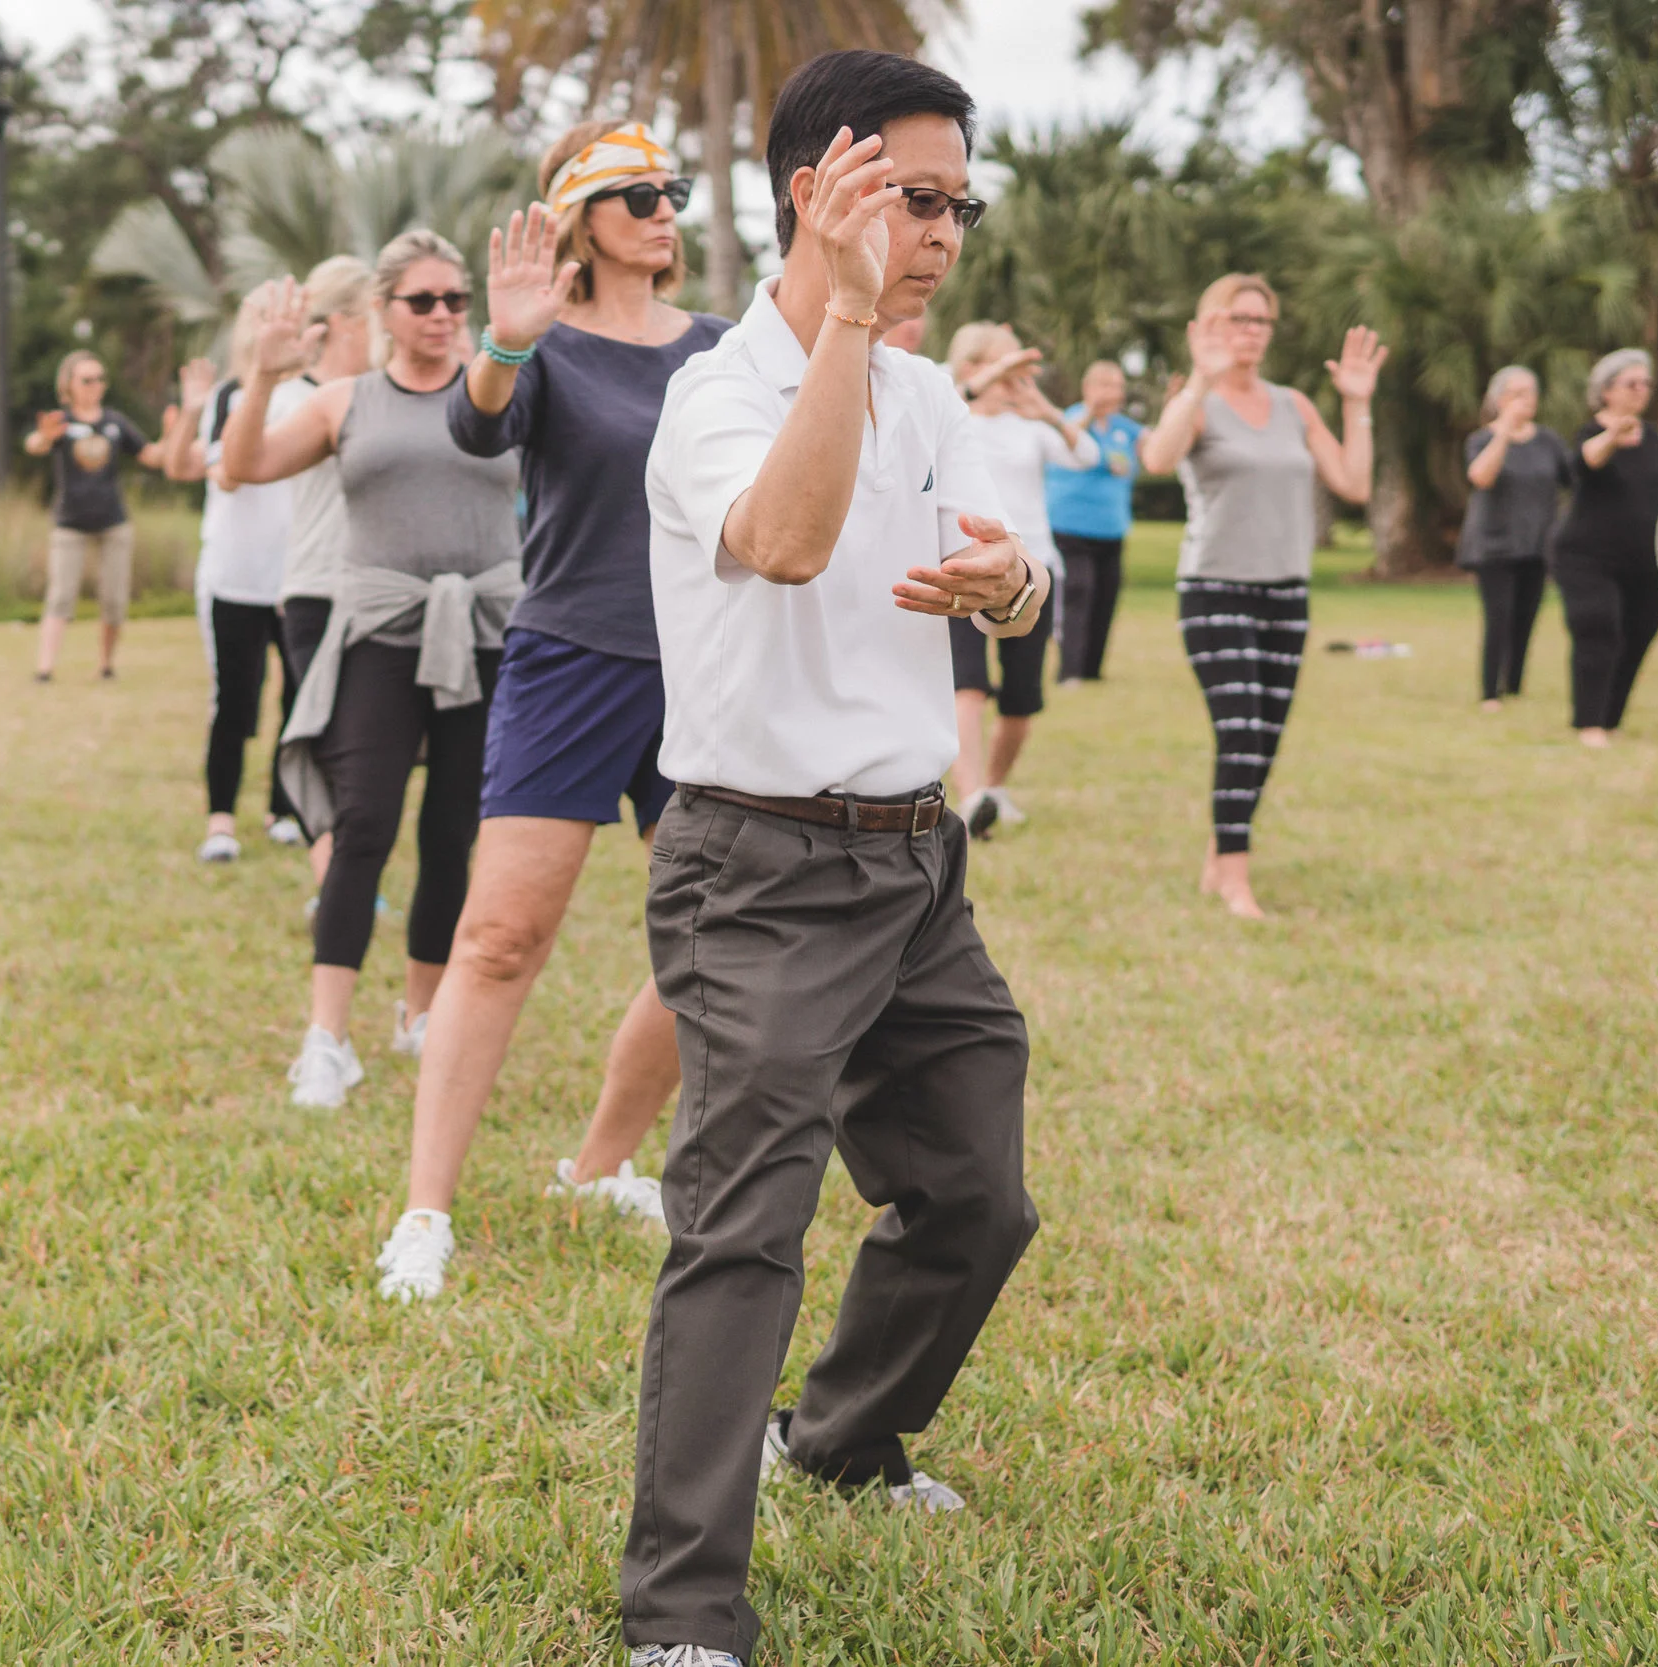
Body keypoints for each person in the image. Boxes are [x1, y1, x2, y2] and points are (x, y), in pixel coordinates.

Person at [621, 53, 1050, 1666]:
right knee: (743, 1224)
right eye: (913, 200)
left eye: (959, 206)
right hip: (758, 862)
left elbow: (1014, 597)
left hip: (914, 862)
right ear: (819, 191)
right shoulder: (719, 392)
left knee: (976, 1197)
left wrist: (1006, 591)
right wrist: (854, 327)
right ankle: (681, 1609)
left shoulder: (935, 396)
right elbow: (788, 543)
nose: (942, 234)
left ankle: (843, 1436)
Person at [370, 122, 734, 1303]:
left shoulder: (723, 349)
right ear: (580, 220)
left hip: (704, 667)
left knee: (715, 938)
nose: (662, 206)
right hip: (571, 661)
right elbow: (478, 426)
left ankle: (596, 1164)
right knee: (500, 938)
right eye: (634, 193)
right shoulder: (547, 350)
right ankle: (423, 1210)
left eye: (670, 188)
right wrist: (505, 342)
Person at [218, 230, 522, 1113]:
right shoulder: (347, 401)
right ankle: (327, 1039)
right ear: (382, 312)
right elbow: (241, 468)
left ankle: (421, 1015)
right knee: (363, 829)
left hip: (484, 636)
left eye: (455, 299)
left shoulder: (502, 394)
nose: (441, 315)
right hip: (379, 635)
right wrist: (268, 378)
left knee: (449, 833)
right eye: (422, 300)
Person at [1139, 274, 1385, 919]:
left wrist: (1357, 403)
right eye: (1236, 318)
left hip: (1286, 592)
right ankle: (1236, 880)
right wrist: (1197, 380)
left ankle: (1221, 855)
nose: (1250, 331)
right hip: (1215, 587)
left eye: (1260, 321)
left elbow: (1354, 482)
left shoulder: (1294, 405)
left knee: (1264, 738)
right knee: (1242, 730)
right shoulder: (1196, 402)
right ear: (1208, 325)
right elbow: (1159, 459)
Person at [942, 321, 1097, 834]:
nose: (1018, 378)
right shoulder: (953, 413)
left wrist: (1048, 413)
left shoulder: (1029, 426)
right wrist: (991, 377)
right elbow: (951, 391)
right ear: (973, 367)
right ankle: (971, 797)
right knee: (967, 684)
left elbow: (1087, 456)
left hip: (1035, 568)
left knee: (1022, 692)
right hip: (965, 565)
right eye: (1007, 366)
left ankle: (996, 786)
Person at [175, 305, 313, 863]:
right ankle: (221, 821)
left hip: (298, 577)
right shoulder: (231, 395)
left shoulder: (315, 395)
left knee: (299, 699)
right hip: (235, 576)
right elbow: (224, 474)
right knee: (234, 700)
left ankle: (284, 809)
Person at [276, 255, 381, 887]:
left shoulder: (385, 392)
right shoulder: (293, 397)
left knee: (369, 754)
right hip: (315, 589)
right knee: (332, 747)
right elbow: (234, 464)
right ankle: (338, 889)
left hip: (379, 592)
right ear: (345, 322)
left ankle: (345, 883)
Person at [25, 350, 203, 683]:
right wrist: (43, 438)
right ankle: (45, 669)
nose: (96, 385)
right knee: (61, 596)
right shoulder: (60, 422)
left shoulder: (114, 422)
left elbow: (152, 456)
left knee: (114, 600)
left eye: (100, 378)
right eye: (87, 379)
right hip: (70, 523)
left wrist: (172, 435)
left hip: (113, 521)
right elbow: (34, 445)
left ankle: (106, 665)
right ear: (69, 384)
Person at [1552, 349, 1658, 749]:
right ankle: (1589, 723)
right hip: (1586, 556)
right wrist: (1613, 436)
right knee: (1598, 628)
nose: (1641, 391)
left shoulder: (1654, 439)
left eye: (1646, 383)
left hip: (1644, 558)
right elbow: (1584, 464)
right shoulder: (1592, 434)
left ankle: (1612, 717)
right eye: (1631, 383)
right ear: (1606, 391)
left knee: (1642, 630)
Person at [1458, 365, 1571, 709]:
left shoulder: (1548, 440)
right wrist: (1504, 431)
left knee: (1526, 617)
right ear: (1499, 399)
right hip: (1494, 545)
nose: (1525, 401)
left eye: (1530, 393)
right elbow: (1480, 477)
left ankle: (1515, 686)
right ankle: (1490, 692)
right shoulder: (1482, 439)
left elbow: (1571, 480)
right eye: (1517, 393)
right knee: (1499, 617)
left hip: (1537, 542)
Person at [1046, 359, 1146, 685]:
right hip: (1070, 526)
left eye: (1117, 385)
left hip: (1112, 528)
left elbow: (1154, 446)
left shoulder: (1124, 428)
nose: (1113, 392)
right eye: (1105, 384)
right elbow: (1068, 437)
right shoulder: (1073, 419)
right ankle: (1070, 671)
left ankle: (1092, 670)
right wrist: (1090, 410)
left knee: (1106, 596)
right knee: (1078, 593)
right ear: (1088, 388)